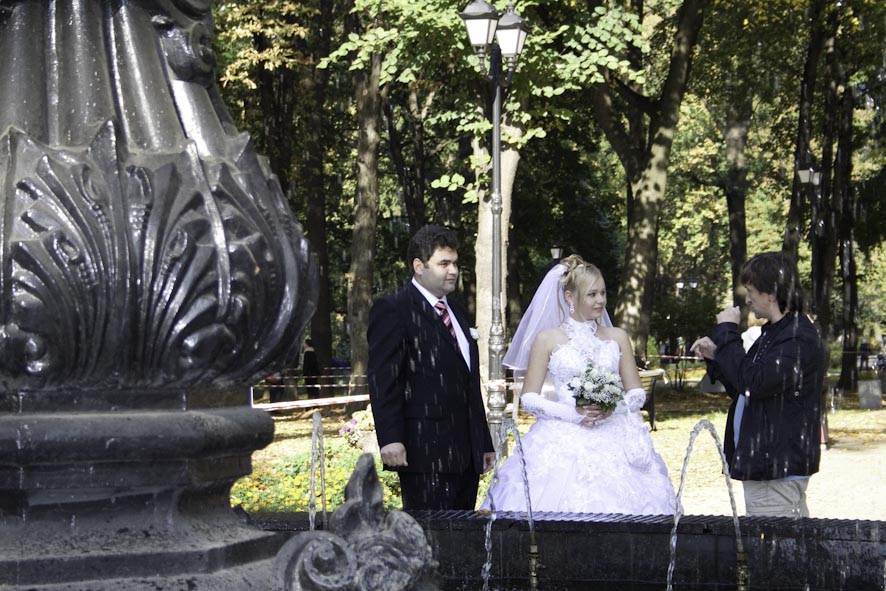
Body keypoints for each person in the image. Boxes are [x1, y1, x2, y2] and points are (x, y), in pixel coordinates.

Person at [481, 256, 675, 515]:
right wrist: (573, 414)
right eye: (592, 294)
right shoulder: (547, 339)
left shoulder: (617, 337)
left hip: (614, 433)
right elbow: (529, 397)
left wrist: (613, 407)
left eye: (603, 293)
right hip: (562, 433)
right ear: (570, 297)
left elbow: (637, 392)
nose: (600, 300)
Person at [367, 224, 495, 510]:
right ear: (419, 266)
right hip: (424, 453)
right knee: (429, 535)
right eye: (443, 263)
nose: (453, 270)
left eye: (455, 263)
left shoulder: (457, 311)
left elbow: (468, 383)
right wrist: (390, 439)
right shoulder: (394, 309)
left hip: (466, 455)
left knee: (463, 533)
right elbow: (384, 380)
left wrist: (483, 441)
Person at [690, 251, 826, 518]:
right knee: (783, 540)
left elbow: (754, 383)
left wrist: (727, 331)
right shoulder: (776, 334)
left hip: (775, 469)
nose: (748, 299)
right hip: (767, 465)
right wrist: (717, 356)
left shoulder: (796, 338)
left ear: (771, 293)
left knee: (771, 543)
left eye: (751, 291)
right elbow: (745, 386)